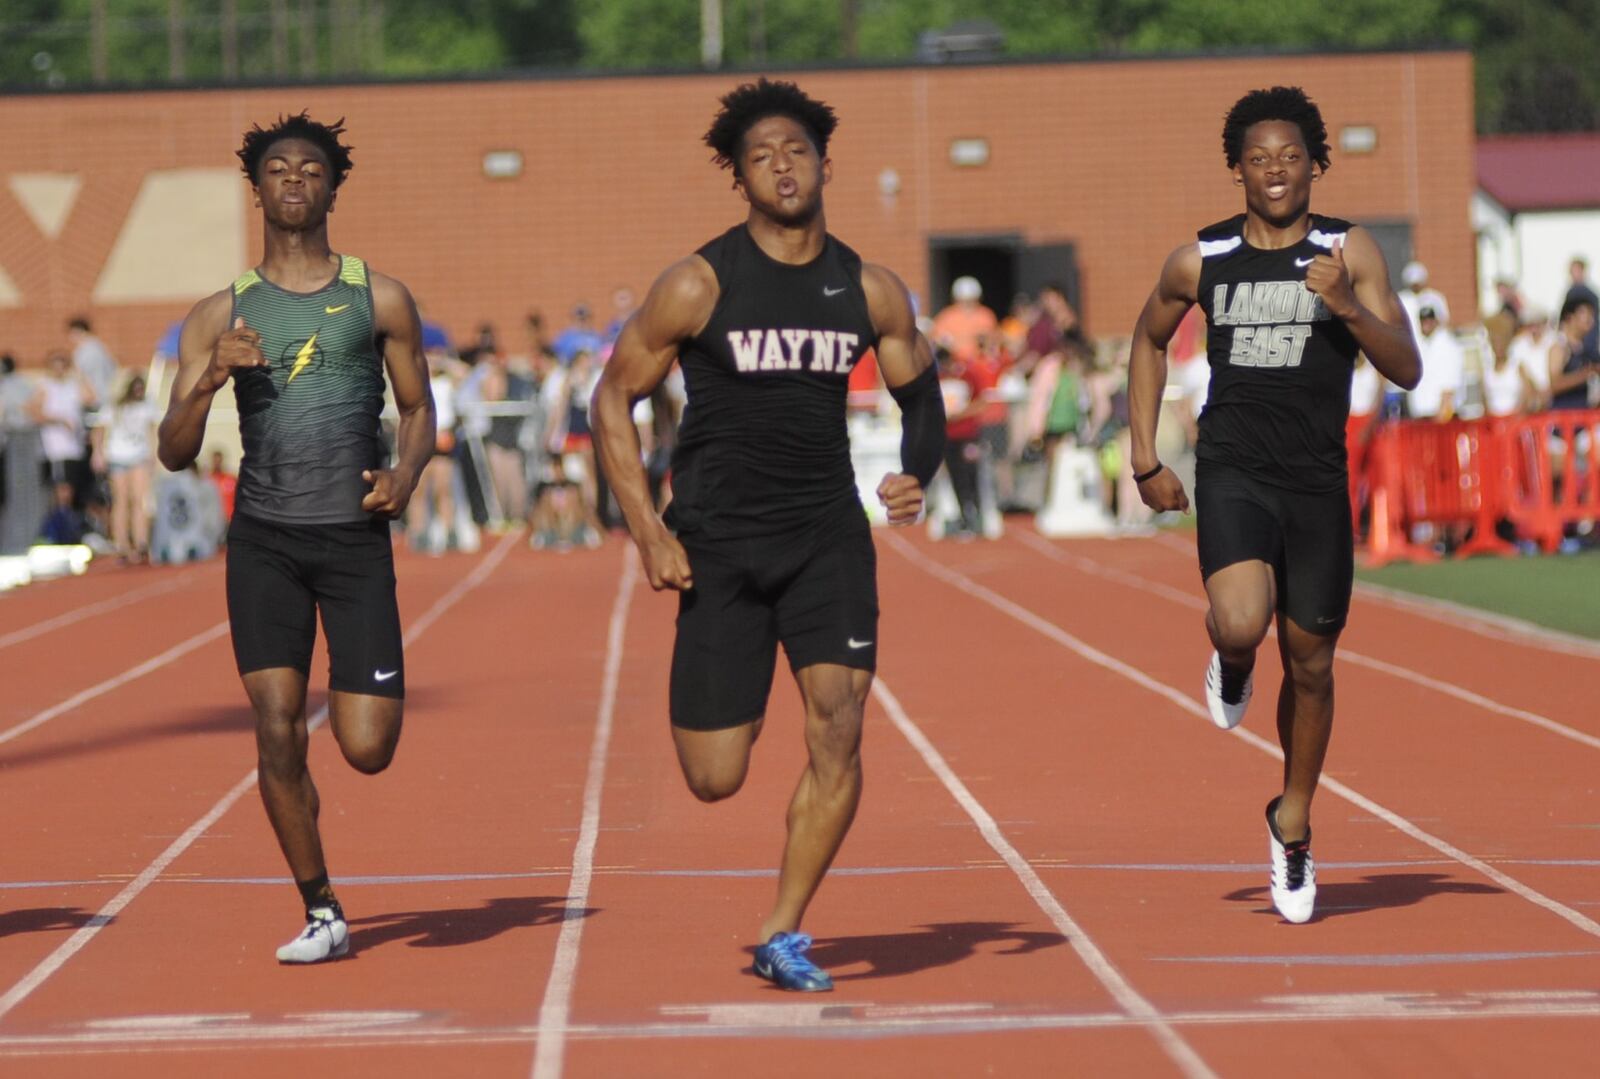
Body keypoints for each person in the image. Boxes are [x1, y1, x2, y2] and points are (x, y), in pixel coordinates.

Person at [590, 78, 944, 991]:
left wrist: (918, 469)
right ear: (738, 177)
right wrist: (646, 532)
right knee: (713, 774)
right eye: (761, 157)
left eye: (795, 151)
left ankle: (784, 930)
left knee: (841, 725)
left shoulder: (868, 287)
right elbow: (610, 399)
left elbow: (922, 391)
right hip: (719, 543)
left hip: (827, 536)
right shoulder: (700, 281)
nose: (782, 167)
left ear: (825, 163)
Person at [1126, 86, 1420, 925]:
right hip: (1233, 468)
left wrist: (1348, 306)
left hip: (1317, 481)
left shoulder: (1348, 249)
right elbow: (1147, 339)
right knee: (1241, 618)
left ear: (1315, 163)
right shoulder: (1203, 260)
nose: (1276, 171)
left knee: (1316, 664)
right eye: (1259, 159)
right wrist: (1144, 453)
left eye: (1291, 156)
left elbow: (1407, 368)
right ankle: (1234, 654)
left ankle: (1291, 819)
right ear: (1237, 170)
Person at [156, 112, 435, 964]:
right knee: (277, 723)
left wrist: (406, 475)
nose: (292, 183)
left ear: (331, 187)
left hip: (352, 540)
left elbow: (420, 409)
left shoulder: (377, 296)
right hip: (266, 540)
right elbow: (172, 452)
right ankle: (322, 907)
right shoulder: (221, 312)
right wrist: (209, 377)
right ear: (258, 188)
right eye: (277, 170)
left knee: (368, 747)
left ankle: (317, 826)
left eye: (310, 171)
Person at [94, 373, 159, 563]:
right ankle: (121, 544)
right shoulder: (114, 406)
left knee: (139, 500)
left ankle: (141, 543)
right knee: (120, 501)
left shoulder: (148, 406)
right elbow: (100, 429)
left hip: (139, 456)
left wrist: (154, 454)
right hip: (117, 456)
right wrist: (98, 453)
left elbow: (152, 430)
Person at [1406, 305, 1464, 421]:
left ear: (1436, 320)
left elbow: (1449, 385)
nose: (1426, 323)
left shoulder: (1447, 345)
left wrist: (1442, 416)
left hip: (1441, 416)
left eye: (1429, 319)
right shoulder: (1421, 345)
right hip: (1422, 416)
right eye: (1422, 319)